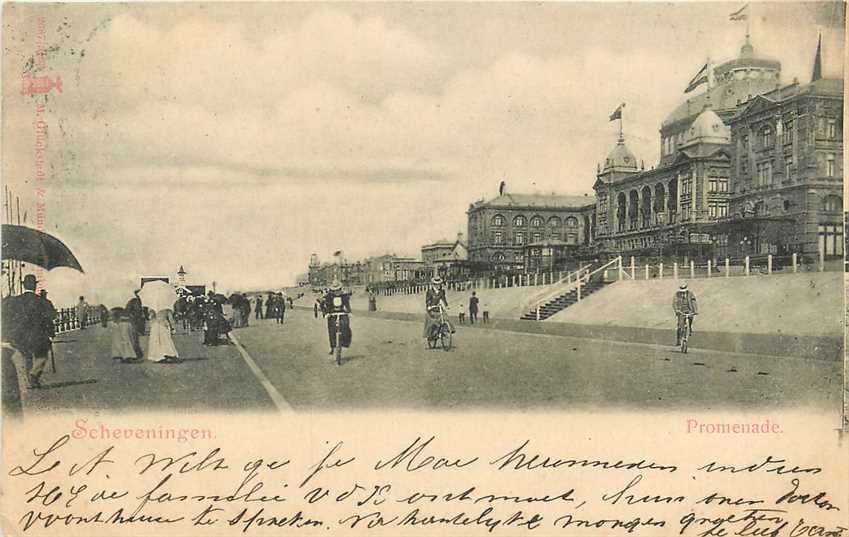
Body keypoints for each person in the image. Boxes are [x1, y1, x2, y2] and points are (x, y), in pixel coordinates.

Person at [1, 275, 55, 389]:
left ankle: (29, 381)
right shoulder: (42, 301)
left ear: (23, 285)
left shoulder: (15, 301)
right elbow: (50, 317)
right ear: (35, 285)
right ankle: (33, 375)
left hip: (21, 336)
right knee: (42, 356)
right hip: (39, 336)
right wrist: (51, 333)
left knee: (26, 357)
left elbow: (6, 314)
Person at [323, 280, 352, 355]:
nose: (336, 292)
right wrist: (327, 313)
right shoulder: (329, 296)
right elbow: (326, 305)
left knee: (346, 325)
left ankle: (344, 343)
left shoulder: (344, 296)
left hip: (341, 312)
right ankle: (332, 347)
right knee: (331, 329)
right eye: (334, 290)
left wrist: (349, 312)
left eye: (338, 290)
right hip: (332, 313)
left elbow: (347, 304)